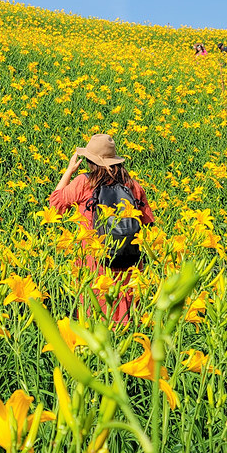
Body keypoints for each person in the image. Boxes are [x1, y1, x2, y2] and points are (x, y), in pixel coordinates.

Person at [49, 133, 154, 323]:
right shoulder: (133, 186)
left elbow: (56, 206)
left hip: (95, 262)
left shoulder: (84, 182)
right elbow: (148, 223)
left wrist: (69, 171)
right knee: (125, 317)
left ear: (90, 161)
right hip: (128, 262)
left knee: (94, 315)